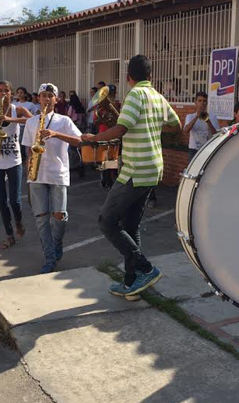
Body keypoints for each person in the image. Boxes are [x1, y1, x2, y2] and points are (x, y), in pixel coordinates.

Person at [82, 55, 181, 297]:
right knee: (131, 225)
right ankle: (131, 283)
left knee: (106, 221)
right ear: (151, 76)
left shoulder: (134, 95)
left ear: (128, 77)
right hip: (153, 169)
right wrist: (150, 127)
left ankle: (146, 268)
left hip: (135, 169)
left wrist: (92, 138)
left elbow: (121, 128)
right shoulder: (157, 96)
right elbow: (176, 124)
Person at [22, 83, 82, 273]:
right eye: (43, 95)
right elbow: (27, 148)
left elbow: (80, 141)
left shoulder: (63, 121)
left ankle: (56, 245)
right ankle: (50, 258)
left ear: (56, 99)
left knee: (59, 216)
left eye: (50, 96)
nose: (47, 99)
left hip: (58, 173)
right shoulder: (31, 122)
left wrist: (56, 134)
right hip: (37, 175)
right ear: (38, 99)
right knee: (41, 219)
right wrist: (29, 162)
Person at [0, 81, 32, 249]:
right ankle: (9, 235)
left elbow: (33, 119)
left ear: (11, 93)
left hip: (14, 160)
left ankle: (19, 223)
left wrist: (10, 119)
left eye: (6, 90)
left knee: (14, 201)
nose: (3, 93)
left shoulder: (16, 109)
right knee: (2, 200)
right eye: (0, 90)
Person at [184, 91, 220, 160]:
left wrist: (207, 121)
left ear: (206, 103)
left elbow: (215, 134)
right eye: (199, 101)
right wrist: (197, 116)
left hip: (207, 149)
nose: (202, 103)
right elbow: (186, 130)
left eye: (204, 101)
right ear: (195, 102)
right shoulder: (190, 116)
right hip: (193, 151)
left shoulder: (212, 117)